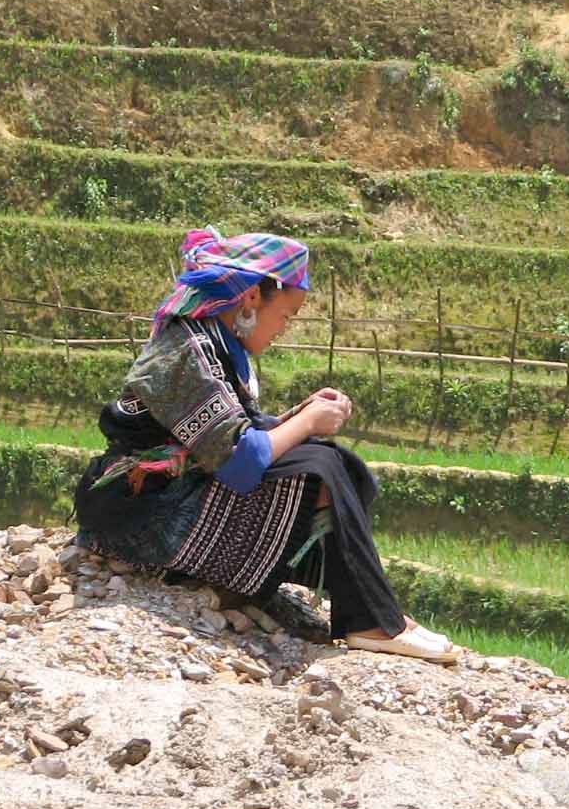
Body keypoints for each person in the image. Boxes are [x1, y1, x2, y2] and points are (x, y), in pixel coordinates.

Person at [72, 226, 458, 664]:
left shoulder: (214, 344)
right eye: (287, 315)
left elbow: (232, 435)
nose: (284, 328)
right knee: (318, 471)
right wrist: (308, 421)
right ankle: (371, 621)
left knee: (336, 463)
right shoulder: (186, 352)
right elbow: (239, 460)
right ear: (253, 299)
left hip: (174, 491)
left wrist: (296, 418)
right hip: (140, 514)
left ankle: (373, 613)